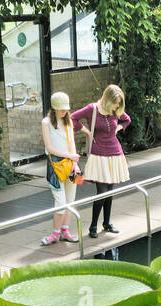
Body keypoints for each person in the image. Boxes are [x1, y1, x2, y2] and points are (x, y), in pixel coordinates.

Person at [70, 85, 130, 238]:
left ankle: (107, 223)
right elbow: (72, 118)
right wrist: (86, 131)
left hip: (115, 153)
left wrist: (117, 129)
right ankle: (92, 226)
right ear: (107, 99)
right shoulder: (93, 109)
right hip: (98, 154)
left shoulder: (116, 110)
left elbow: (127, 119)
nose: (117, 106)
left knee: (109, 192)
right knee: (101, 193)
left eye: (119, 103)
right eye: (115, 102)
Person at [40, 91, 80, 246]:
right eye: (61, 108)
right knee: (61, 202)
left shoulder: (69, 121)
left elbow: (72, 143)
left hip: (71, 164)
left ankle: (65, 231)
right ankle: (55, 234)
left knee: (70, 201)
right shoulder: (46, 123)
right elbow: (49, 148)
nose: (64, 111)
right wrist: (70, 156)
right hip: (56, 165)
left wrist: (75, 163)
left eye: (66, 108)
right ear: (54, 108)